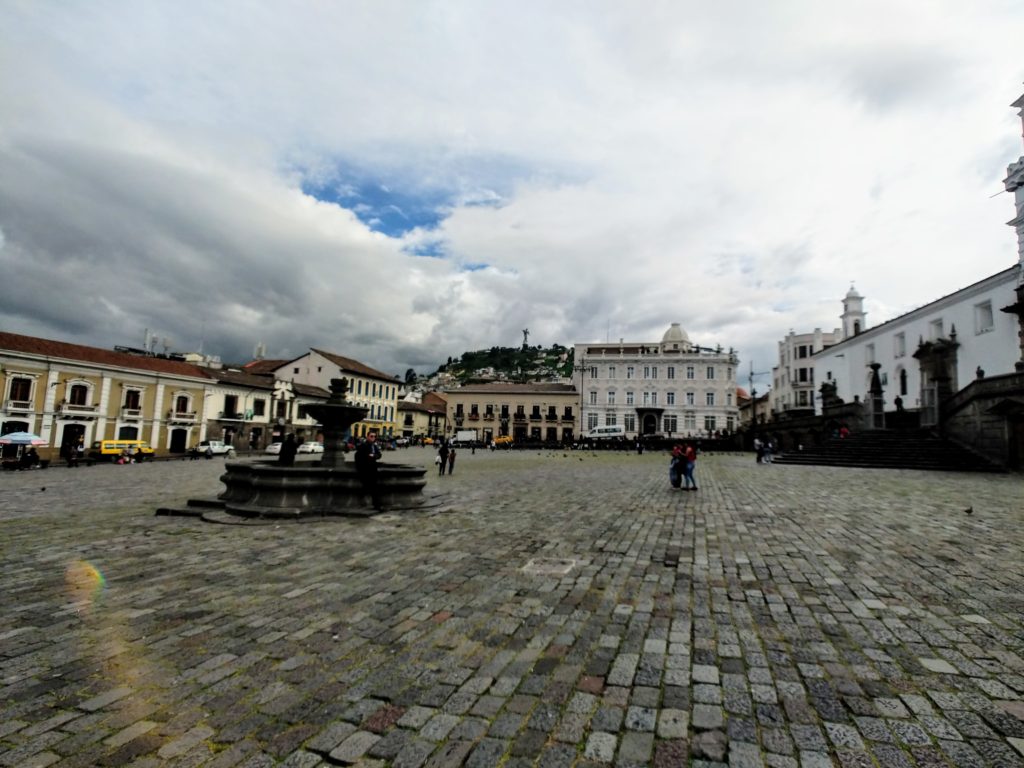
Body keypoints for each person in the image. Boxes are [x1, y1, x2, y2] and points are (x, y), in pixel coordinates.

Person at [354, 431, 383, 509]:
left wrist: (374, 456)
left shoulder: (374, 446)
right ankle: (376, 505)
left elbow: (379, 455)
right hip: (366, 470)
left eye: (374, 436)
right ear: (367, 436)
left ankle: (376, 504)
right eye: (371, 436)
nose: (373, 438)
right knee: (374, 488)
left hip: (373, 469)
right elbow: (358, 456)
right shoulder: (363, 446)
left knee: (374, 488)